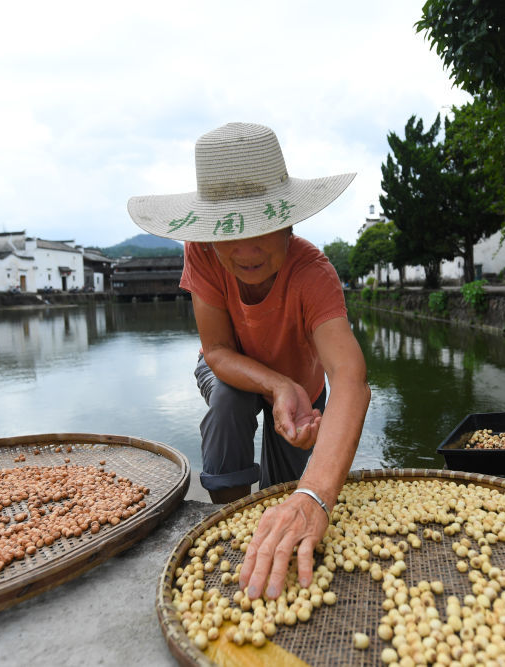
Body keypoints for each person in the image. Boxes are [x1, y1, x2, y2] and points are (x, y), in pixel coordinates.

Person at [128, 122, 370, 601]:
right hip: (231, 371)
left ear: (289, 223)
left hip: (304, 386)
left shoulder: (312, 272)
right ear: (206, 234)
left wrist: (314, 494)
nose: (244, 251)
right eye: (226, 233)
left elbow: (350, 378)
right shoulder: (201, 254)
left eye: (261, 228)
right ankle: (231, 524)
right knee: (230, 402)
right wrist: (274, 384)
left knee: (292, 484)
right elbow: (217, 351)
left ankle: (286, 512)